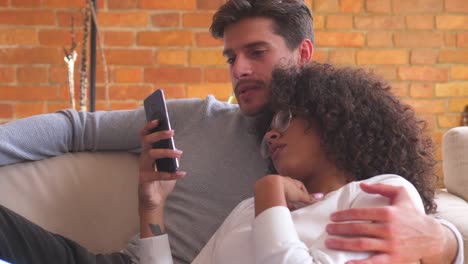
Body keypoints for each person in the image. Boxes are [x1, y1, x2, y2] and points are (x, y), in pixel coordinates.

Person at [0, 0, 463, 263]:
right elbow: (75, 128)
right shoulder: (200, 120)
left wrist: (444, 241)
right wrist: (150, 206)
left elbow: (418, 211)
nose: (239, 70)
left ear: (303, 55)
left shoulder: (349, 161)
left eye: (256, 52)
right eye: (230, 57)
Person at [139, 62, 440, 263]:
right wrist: (152, 207)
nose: (271, 134)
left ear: (333, 118)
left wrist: (269, 192)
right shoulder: (250, 207)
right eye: (269, 126)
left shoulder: (378, 192)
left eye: (284, 119)